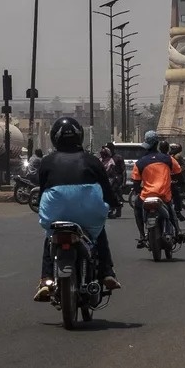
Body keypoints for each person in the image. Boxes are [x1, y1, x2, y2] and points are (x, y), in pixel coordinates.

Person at [33, 116, 120, 302]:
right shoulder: (92, 160)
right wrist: (114, 203)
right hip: (89, 212)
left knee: (50, 239)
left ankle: (46, 279)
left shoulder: (47, 161)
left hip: (55, 211)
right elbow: (106, 188)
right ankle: (106, 273)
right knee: (99, 235)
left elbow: (42, 190)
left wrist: (41, 206)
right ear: (79, 135)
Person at [131, 131, 183, 247]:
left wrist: (140, 191)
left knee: (136, 208)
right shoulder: (168, 159)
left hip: (146, 197)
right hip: (163, 195)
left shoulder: (140, 163)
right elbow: (179, 174)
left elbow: (136, 183)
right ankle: (178, 231)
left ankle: (141, 236)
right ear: (157, 144)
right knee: (171, 209)